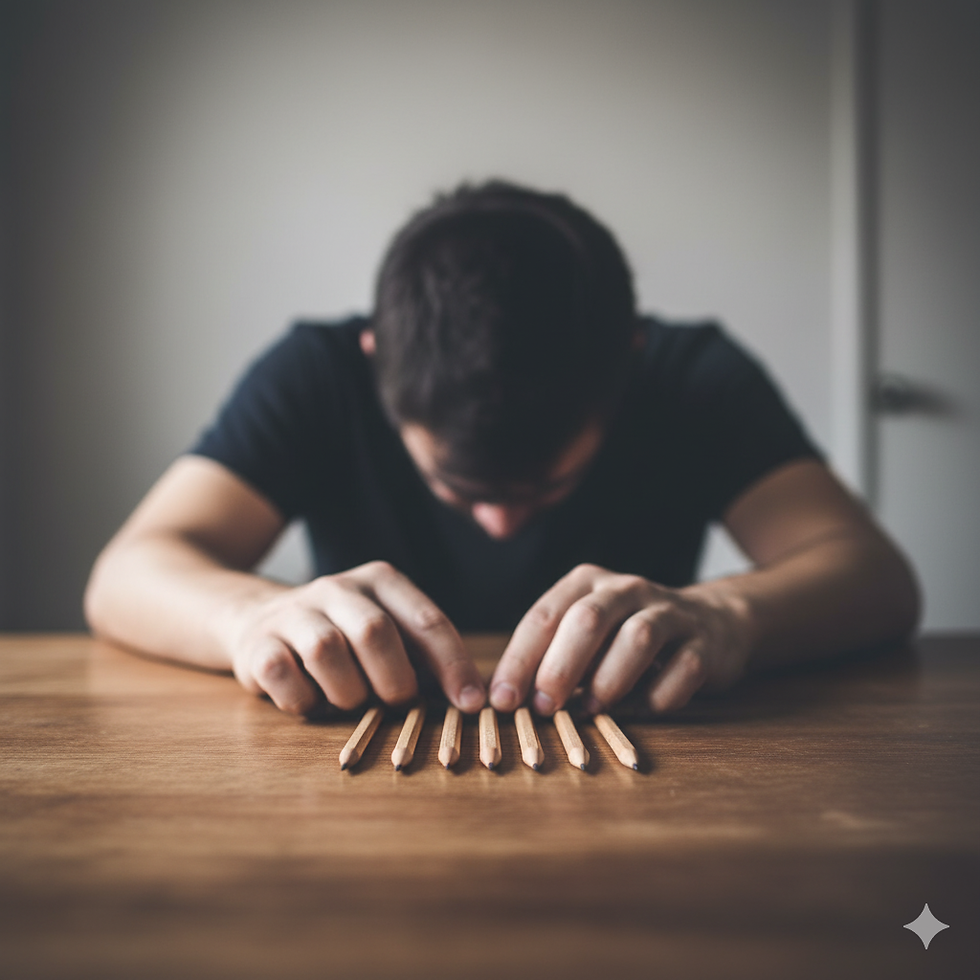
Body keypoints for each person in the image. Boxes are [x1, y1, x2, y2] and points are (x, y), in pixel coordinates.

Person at [84, 181, 920, 721]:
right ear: (376, 363)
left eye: (547, 482)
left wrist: (731, 615)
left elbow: (873, 576)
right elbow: (128, 572)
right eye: (455, 482)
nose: (498, 523)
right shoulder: (317, 370)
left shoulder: (690, 375)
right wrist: (248, 617)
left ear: (629, 360)